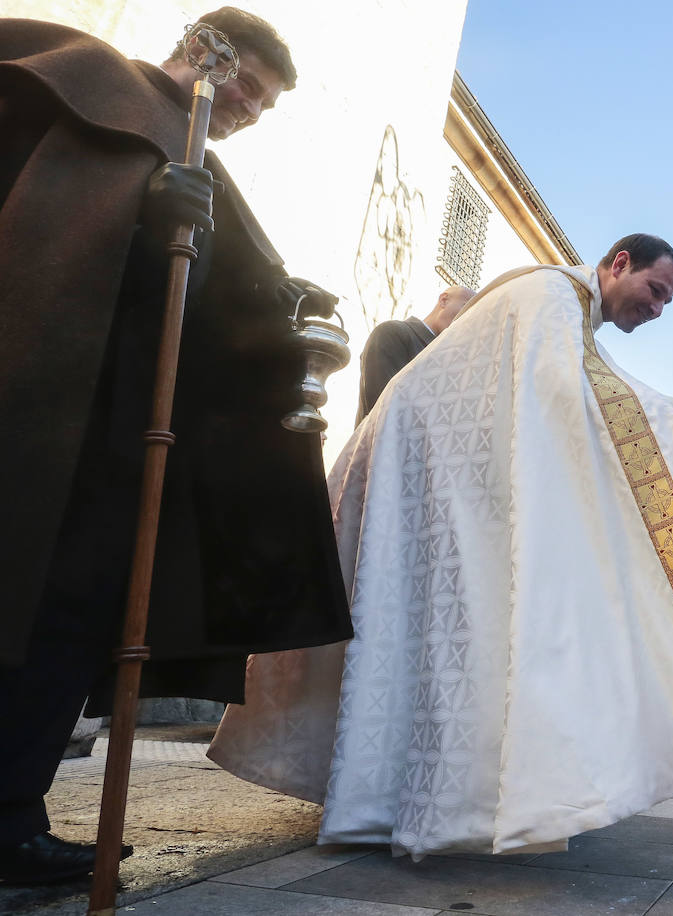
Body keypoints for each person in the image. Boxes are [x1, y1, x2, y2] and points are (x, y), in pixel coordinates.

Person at [210, 234, 673, 856]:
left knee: (413, 632)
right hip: (426, 472)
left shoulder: (564, 310)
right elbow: (566, 396)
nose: (658, 308)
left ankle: (383, 794)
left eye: (667, 300)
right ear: (618, 263)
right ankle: (418, 800)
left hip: (433, 473)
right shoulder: (553, 296)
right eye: (655, 290)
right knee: (446, 632)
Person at [0, 10, 352, 884]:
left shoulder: (206, 164)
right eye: (246, 88)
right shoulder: (83, 77)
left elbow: (205, 307)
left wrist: (278, 304)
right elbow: (41, 223)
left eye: (266, 106)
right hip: (35, 408)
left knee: (70, 629)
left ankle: (10, 812)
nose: (248, 110)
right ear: (202, 51)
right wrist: (135, 215)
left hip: (119, 445)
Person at [355, 285, 477, 424]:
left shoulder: (454, 364)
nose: (467, 320)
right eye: (465, 309)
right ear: (444, 300)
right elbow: (382, 409)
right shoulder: (392, 333)